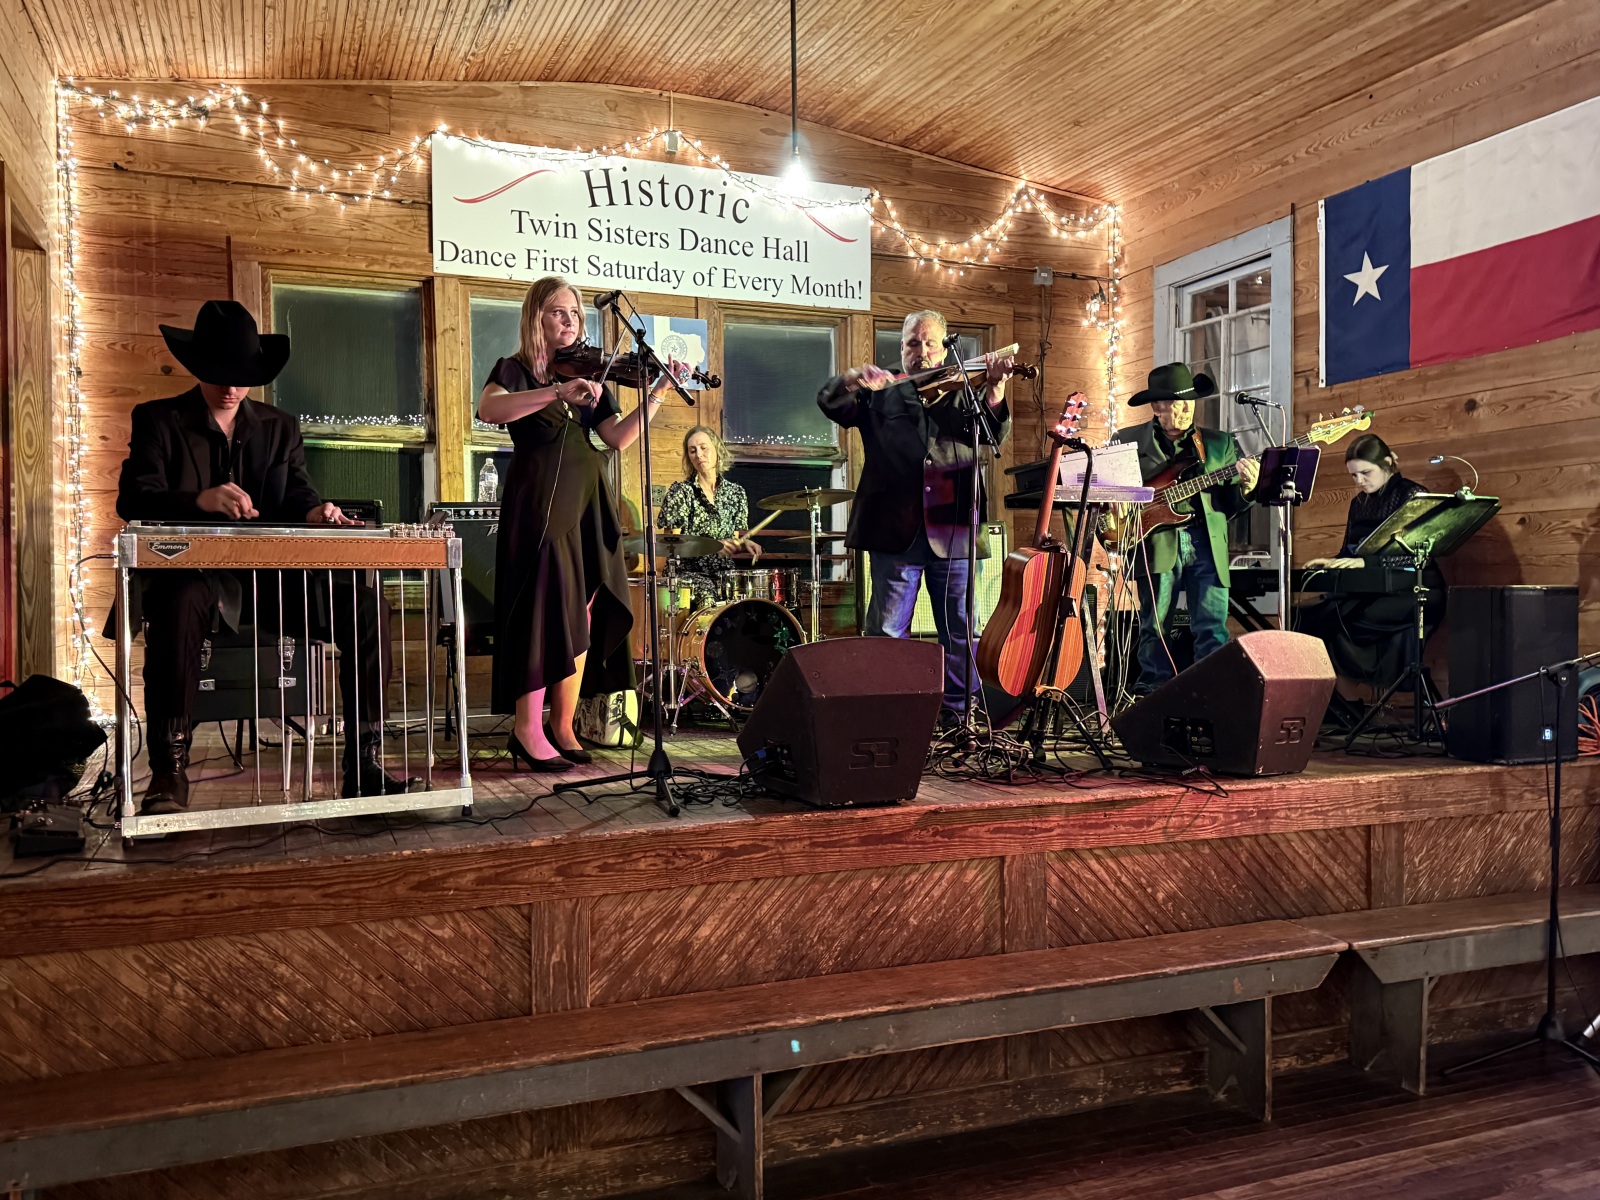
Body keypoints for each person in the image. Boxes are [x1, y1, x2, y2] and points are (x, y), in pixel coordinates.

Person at [115, 300, 414, 813]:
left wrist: (316, 511)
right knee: (178, 603)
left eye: (243, 376)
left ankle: (363, 765)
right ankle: (168, 771)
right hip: (194, 578)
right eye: (220, 374)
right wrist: (199, 501)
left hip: (272, 581)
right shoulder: (159, 419)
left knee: (366, 608)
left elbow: (296, 494)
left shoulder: (280, 426)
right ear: (197, 367)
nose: (232, 387)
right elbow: (134, 499)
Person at [477, 276, 686, 771]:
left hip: (589, 502)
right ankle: (526, 728)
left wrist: (657, 392)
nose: (569, 320)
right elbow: (489, 409)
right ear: (536, 317)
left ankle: (563, 725)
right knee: (541, 611)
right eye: (558, 311)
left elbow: (617, 437)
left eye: (574, 312)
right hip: (541, 502)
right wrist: (555, 391)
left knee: (582, 612)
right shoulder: (516, 369)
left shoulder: (591, 374)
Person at [818, 309, 1014, 719]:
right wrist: (854, 377)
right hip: (894, 528)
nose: (921, 351)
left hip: (954, 527)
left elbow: (994, 435)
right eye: (912, 343)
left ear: (944, 349)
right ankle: (892, 718)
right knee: (888, 632)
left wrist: (995, 388)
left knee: (960, 630)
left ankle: (960, 716)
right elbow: (831, 402)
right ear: (902, 347)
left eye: (929, 343)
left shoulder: (966, 392)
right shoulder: (879, 391)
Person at [1113, 362, 1259, 693]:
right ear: (1156, 406)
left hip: (1206, 542)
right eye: (1176, 405)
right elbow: (1105, 490)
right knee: (1155, 627)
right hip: (1155, 540)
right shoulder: (1126, 441)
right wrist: (1117, 500)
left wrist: (1248, 489)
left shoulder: (1219, 443)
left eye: (1188, 403)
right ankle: (1152, 695)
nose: (1184, 411)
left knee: (1212, 626)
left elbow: (1230, 503)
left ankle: (1212, 695)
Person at [1296, 433, 1444, 687]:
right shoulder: (1359, 503)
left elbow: (1422, 555)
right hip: (1371, 590)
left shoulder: (1413, 494)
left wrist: (1368, 563)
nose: (1360, 481)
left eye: (1366, 473)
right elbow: (1350, 553)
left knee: (1336, 621)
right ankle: (1328, 703)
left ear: (1387, 463)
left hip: (1414, 591)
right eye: (1354, 475)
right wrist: (1332, 562)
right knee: (1302, 618)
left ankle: (1371, 687)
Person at [656, 425, 761, 601]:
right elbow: (671, 545)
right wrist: (713, 545)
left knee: (749, 597)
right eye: (692, 451)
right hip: (688, 574)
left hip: (724, 574)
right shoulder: (681, 492)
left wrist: (743, 544)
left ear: (717, 450)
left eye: (704, 448)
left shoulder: (736, 493)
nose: (698, 454)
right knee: (708, 595)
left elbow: (732, 542)